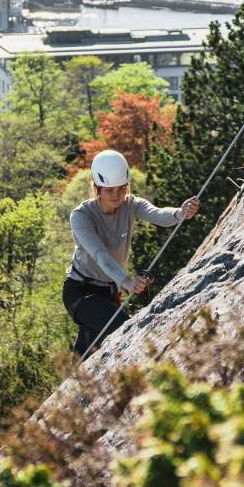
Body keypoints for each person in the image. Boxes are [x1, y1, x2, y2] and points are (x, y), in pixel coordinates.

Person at [64, 148, 200, 357]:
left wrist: (180, 213)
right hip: (81, 291)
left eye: (122, 188)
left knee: (90, 349)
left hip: (108, 291)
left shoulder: (131, 204)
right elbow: (100, 256)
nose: (117, 196)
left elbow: (158, 214)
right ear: (96, 187)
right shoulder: (81, 216)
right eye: (109, 190)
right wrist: (126, 281)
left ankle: (74, 382)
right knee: (122, 328)